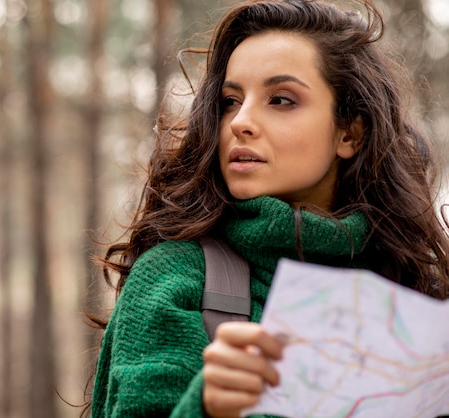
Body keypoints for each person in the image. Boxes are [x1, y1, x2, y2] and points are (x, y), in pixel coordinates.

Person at [88, 0, 449, 417]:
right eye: (229, 101)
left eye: (280, 99)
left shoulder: (415, 295)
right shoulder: (175, 279)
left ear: (349, 132)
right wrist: (205, 407)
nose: (240, 121)